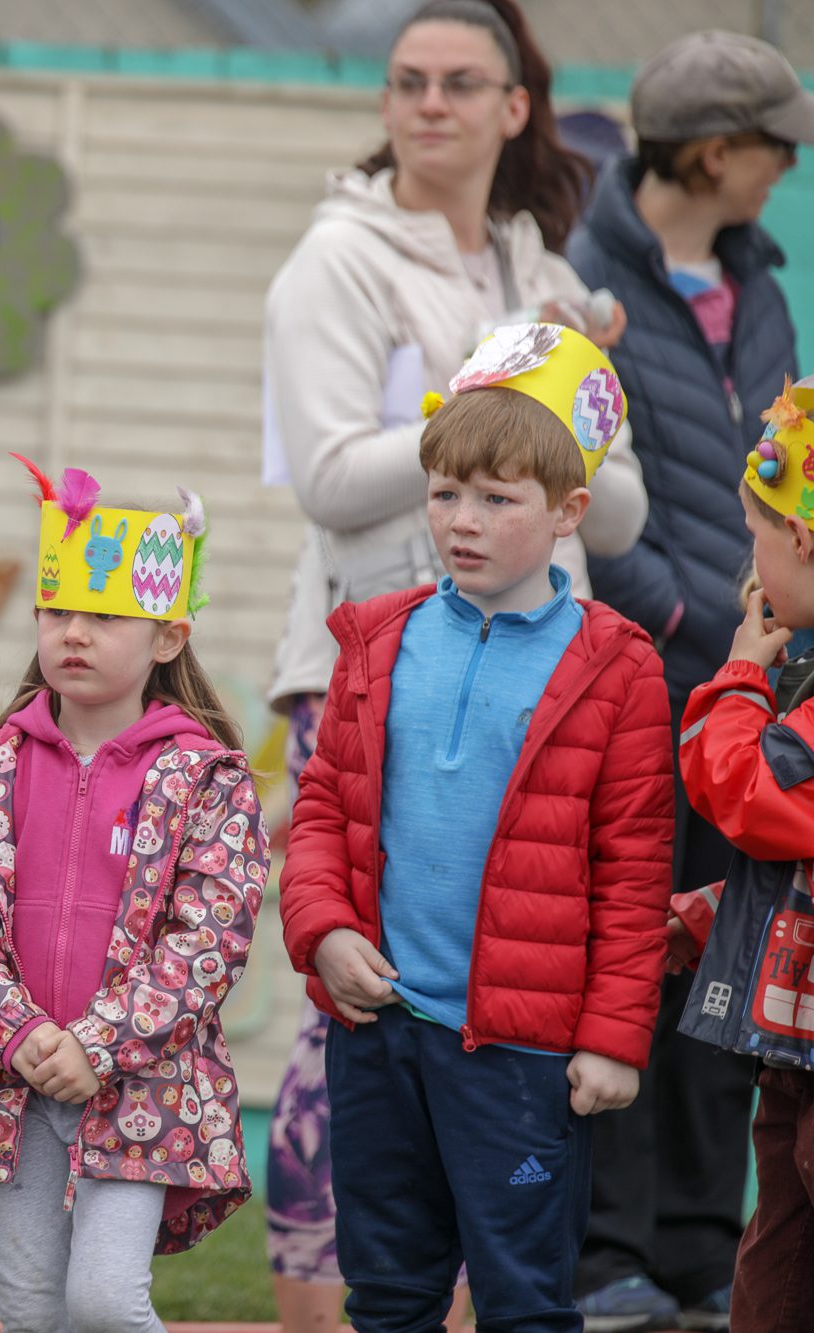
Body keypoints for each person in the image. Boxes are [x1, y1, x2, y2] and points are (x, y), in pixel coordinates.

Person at [259, 4, 645, 1324]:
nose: (429, 104)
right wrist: (481, 412)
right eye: (406, 81)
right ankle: (323, 1307)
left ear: (515, 106)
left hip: (542, 678)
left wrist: (567, 416)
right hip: (374, 656)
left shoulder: (543, 269)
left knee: (501, 1090)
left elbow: (619, 499)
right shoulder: (335, 261)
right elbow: (323, 476)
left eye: (460, 82)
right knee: (354, 1030)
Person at [279, 323, 673, 1331]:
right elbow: (322, 804)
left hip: (523, 1058)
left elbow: (632, 872)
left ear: (565, 514)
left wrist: (612, 1039)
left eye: (496, 499)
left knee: (523, 1302)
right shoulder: (376, 636)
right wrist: (322, 933)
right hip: (379, 1038)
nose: (462, 519)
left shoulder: (617, 667)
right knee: (390, 1296)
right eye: (444, 491)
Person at [562, 31, 814, 1329]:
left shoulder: (758, 280)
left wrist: (764, 650)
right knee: (638, 959)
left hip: (753, 680)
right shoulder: (584, 284)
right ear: (717, 152)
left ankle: (704, 1254)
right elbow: (590, 473)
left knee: (746, 946)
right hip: (647, 672)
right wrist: (678, 617)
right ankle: (610, 1250)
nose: (786, 171)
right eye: (777, 147)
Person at [0, 459, 265, 1332]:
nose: (73, 631)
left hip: (140, 1081)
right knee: (34, 1310)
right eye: (56, 610)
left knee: (105, 1301)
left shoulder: (205, 779)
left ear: (167, 636)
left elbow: (209, 938)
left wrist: (99, 1043)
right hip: (15, 1079)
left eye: (104, 615)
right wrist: (23, 1031)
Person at [663, 375, 814, 1333]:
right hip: (794, 1051)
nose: (750, 566)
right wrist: (714, 913)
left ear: (800, 539)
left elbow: (751, 795)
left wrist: (737, 679)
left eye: (757, 537)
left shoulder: (788, 693)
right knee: (780, 1248)